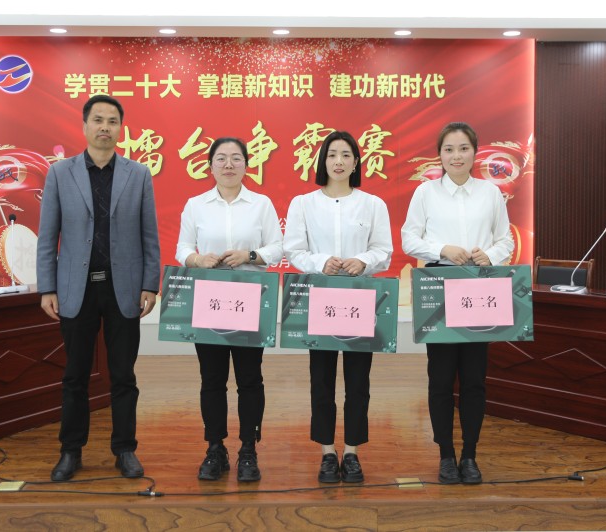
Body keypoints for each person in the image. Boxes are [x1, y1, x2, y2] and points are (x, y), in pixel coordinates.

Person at [36, 94, 161, 482]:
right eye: (98, 120)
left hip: (124, 288)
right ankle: (70, 451)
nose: (105, 127)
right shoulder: (61, 173)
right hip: (76, 289)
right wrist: (47, 287)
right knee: (75, 375)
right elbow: (48, 236)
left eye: (112, 121)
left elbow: (149, 235)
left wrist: (150, 284)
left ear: (120, 128)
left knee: (123, 375)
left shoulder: (138, 174)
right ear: (85, 125)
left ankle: (125, 449)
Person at [401, 122, 514, 485]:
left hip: (479, 287)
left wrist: (489, 255)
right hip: (439, 285)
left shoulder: (490, 193)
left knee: (474, 379)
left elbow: (505, 240)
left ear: (474, 152)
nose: (456, 156)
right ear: (440, 155)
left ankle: (470, 455)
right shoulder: (425, 192)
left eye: (463, 148)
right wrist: (442, 249)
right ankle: (446, 455)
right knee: (440, 378)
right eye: (449, 149)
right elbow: (408, 239)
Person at [282, 130, 393, 484]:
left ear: (356, 162)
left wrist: (363, 261)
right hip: (320, 298)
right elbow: (293, 249)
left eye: (346, 155)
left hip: (361, 300)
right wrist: (320, 262)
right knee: (322, 379)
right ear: (322, 161)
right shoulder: (303, 203)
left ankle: (353, 451)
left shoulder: (373, 204)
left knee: (359, 381)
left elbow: (383, 251)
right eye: (332, 155)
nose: (339, 161)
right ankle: (328, 452)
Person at [175, 137, 283, 482]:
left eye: (236, 158)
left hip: (249, 300)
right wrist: (197, 259)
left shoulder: (261, 204)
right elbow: (182, 248)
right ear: (210, 166)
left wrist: (249, 255)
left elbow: (278, 248)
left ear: (247, 165)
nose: (228, 165)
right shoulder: (196, 205)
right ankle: (215, 448)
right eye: (221, 158)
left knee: (250, 378)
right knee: (212, 378)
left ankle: (248, 449)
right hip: (208, 300)